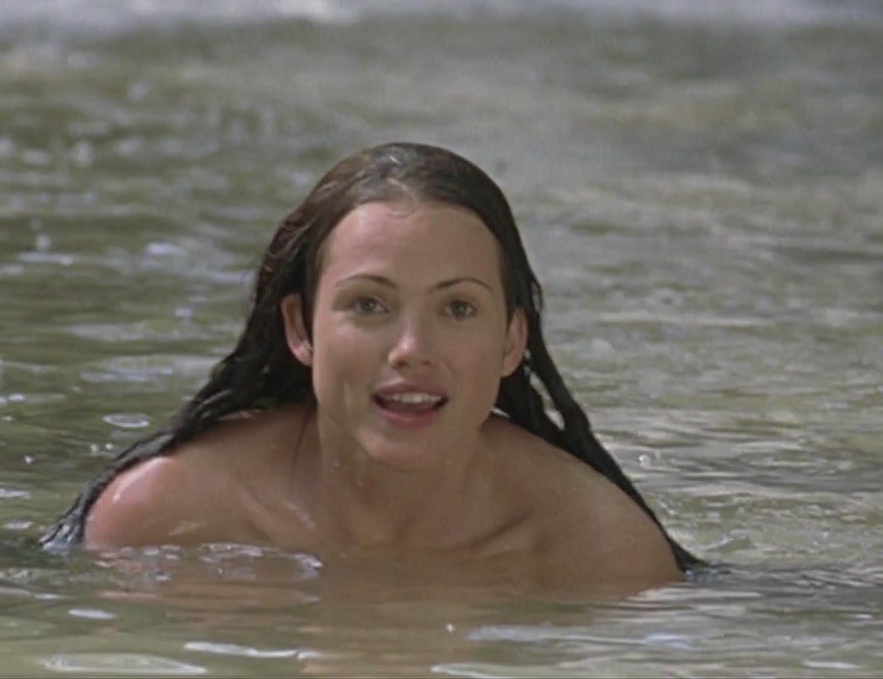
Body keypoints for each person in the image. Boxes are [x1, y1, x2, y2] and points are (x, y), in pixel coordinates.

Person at [41, 142, 699, 588]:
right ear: (302, 329)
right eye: (369, 305)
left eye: (458, 309)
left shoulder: (600, 556)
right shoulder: (160, 522)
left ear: (510, 341)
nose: (411, 347)